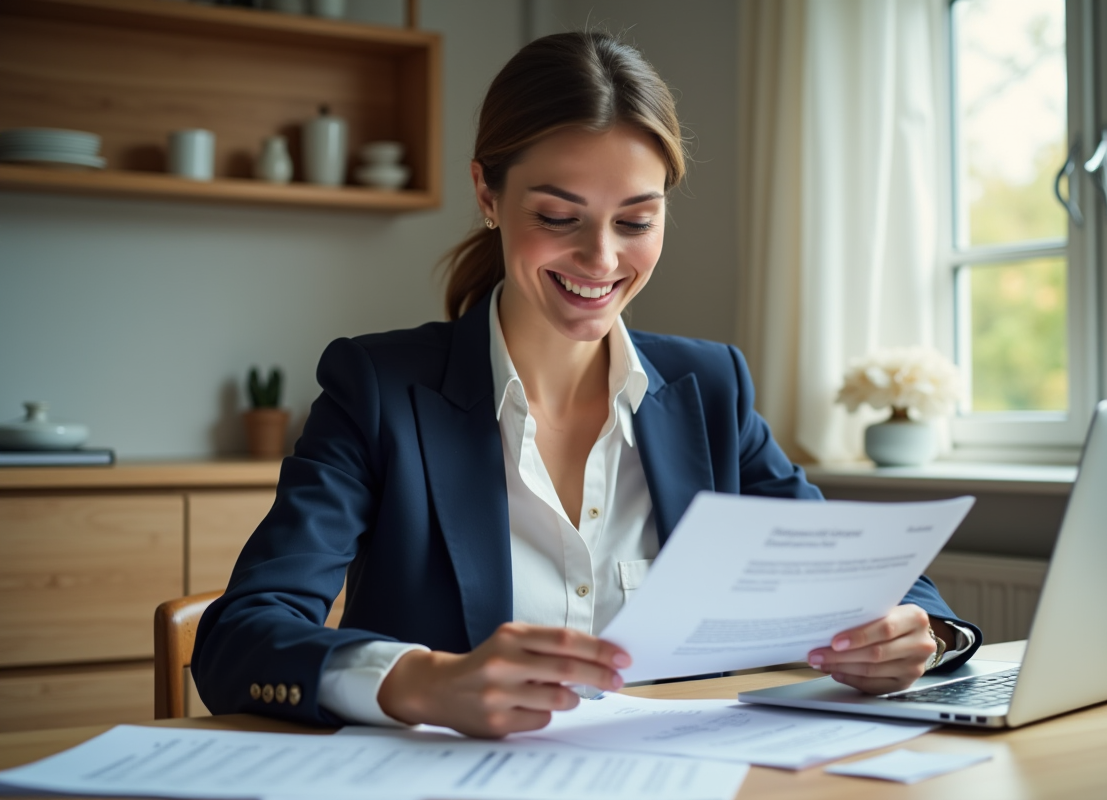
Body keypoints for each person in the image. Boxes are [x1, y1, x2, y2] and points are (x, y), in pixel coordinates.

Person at [193, 31, 981, 739]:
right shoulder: (380, 389)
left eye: (635, 222)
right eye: (559, 216)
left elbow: (858, 574)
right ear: (486, 194)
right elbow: (241, 637)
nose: (602, 259)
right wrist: (423, 682)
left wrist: (922, 632)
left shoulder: (709, 388)